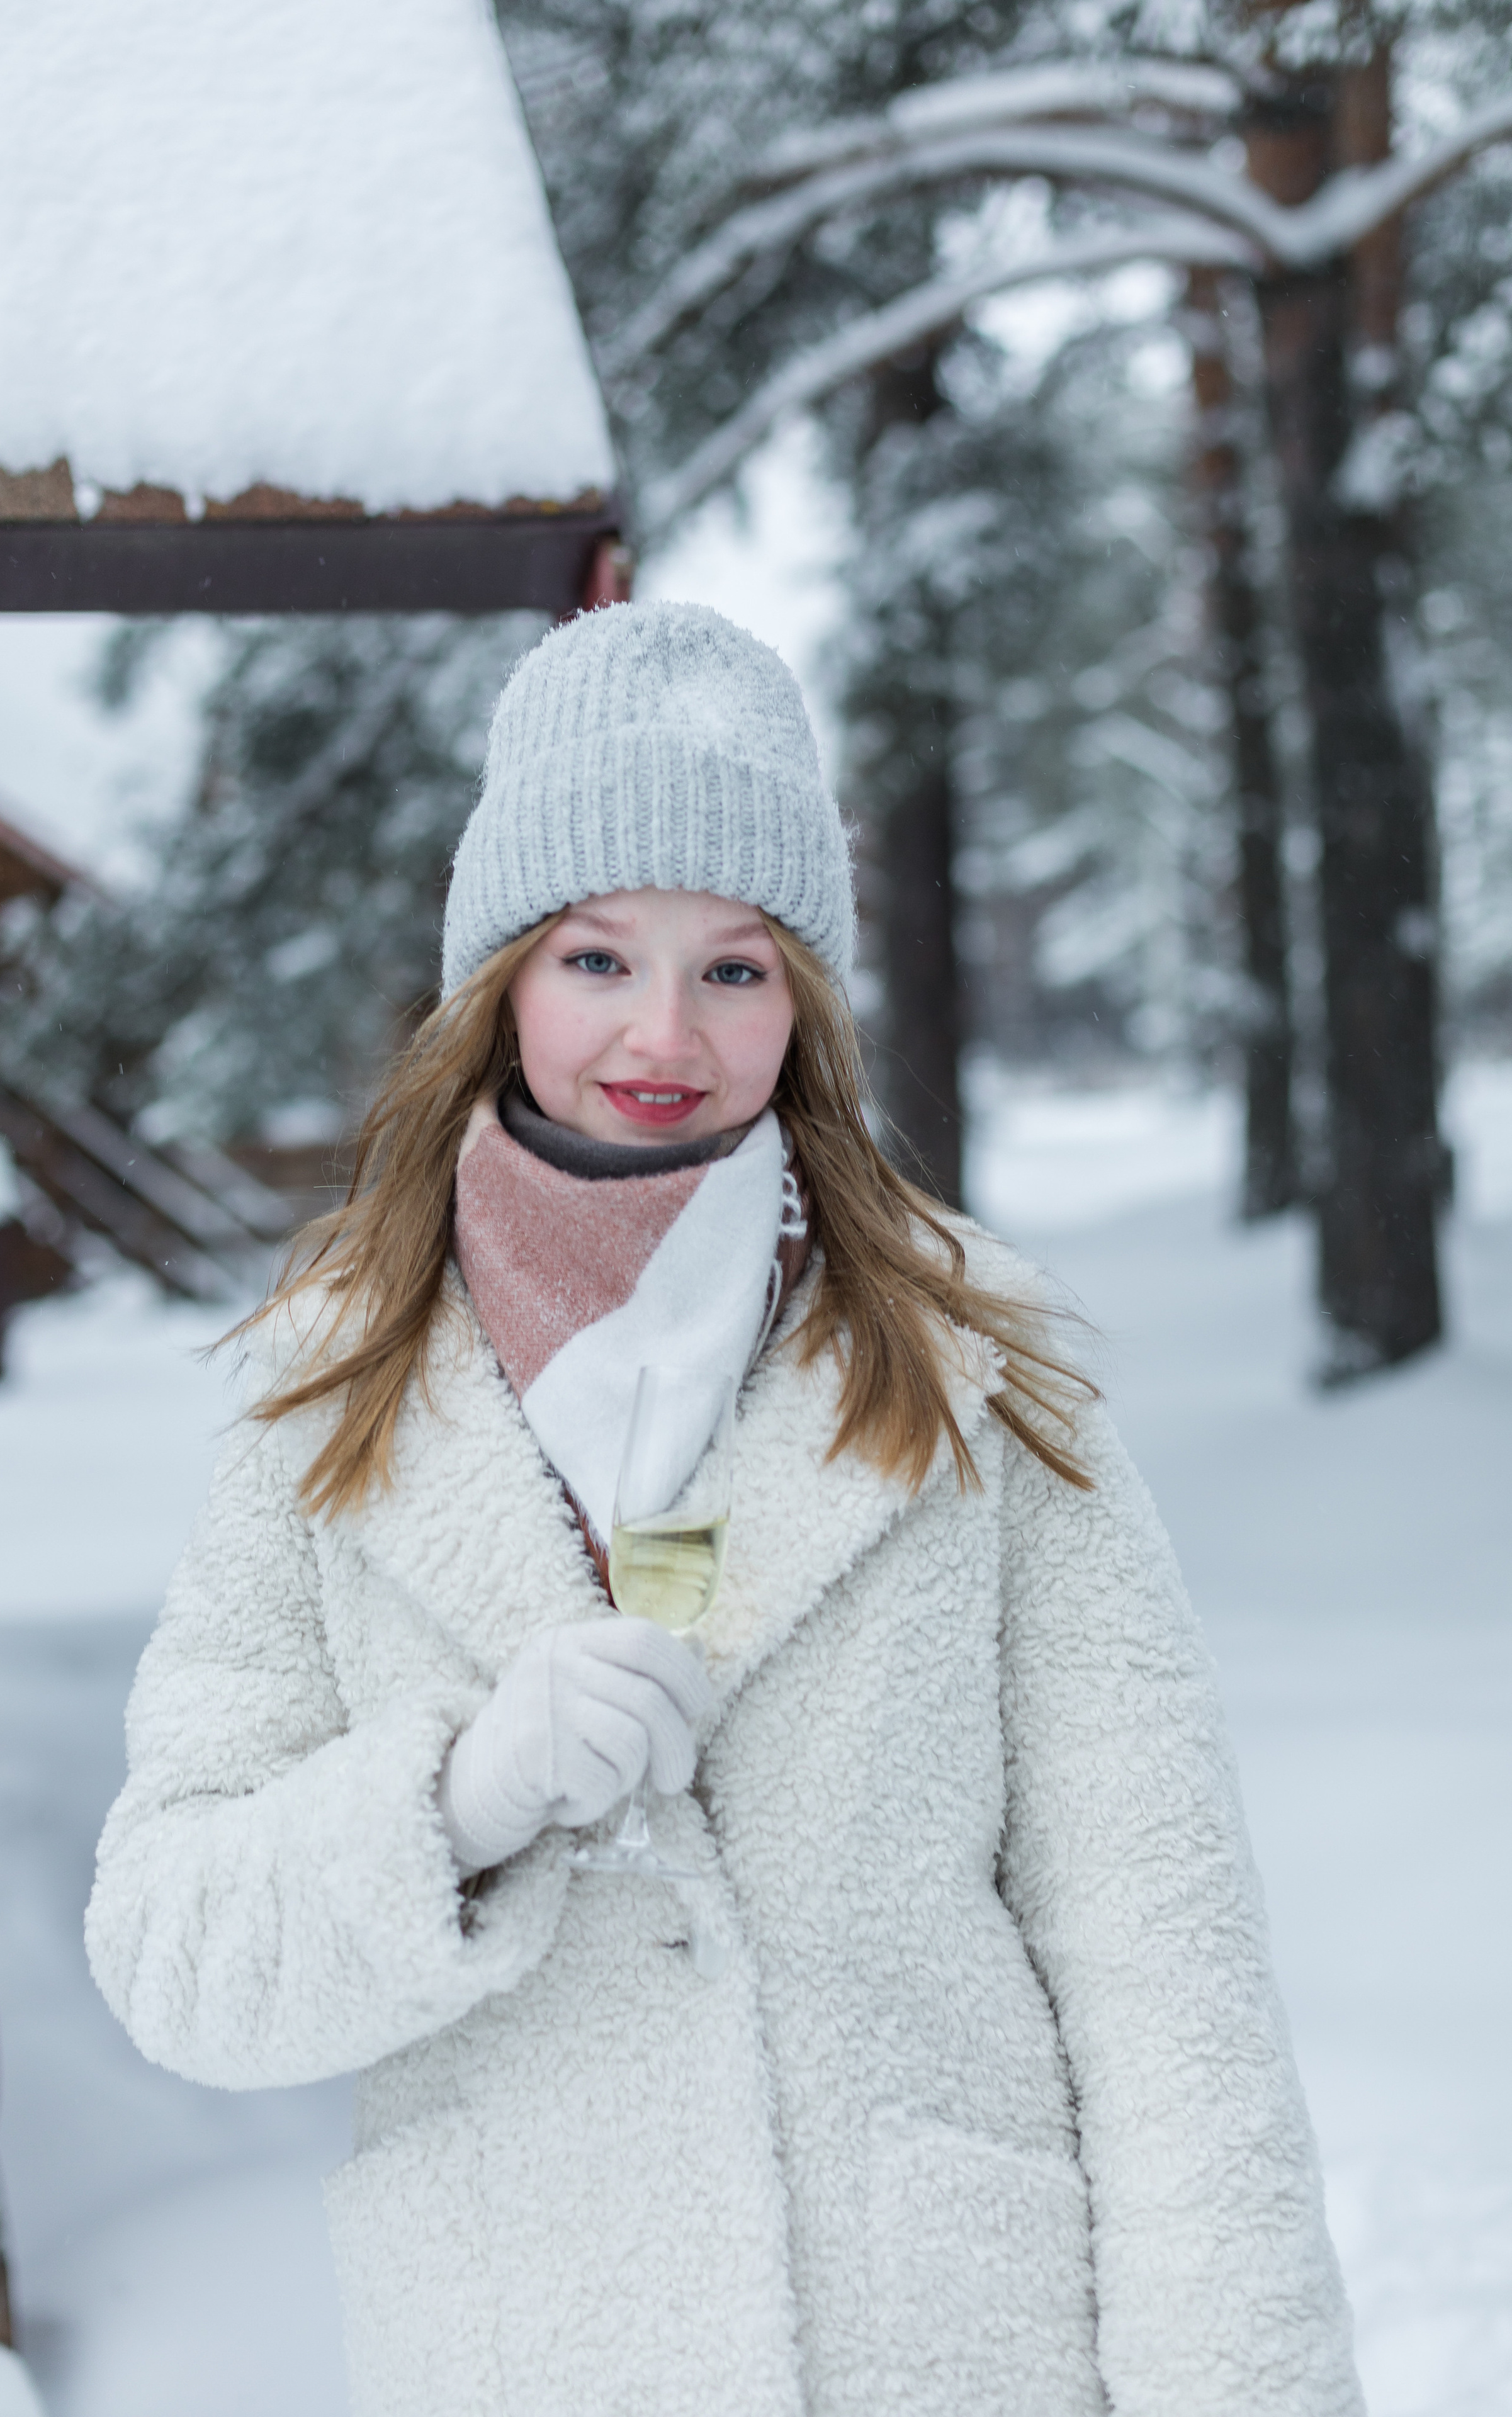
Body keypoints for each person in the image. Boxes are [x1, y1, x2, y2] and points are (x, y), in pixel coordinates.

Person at [87, 602, 1363, 2417]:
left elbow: (1166, 1962)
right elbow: (173, 1955)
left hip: (950, 2354)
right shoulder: (326, 1399)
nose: (663, 1031)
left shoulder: (977, 1370)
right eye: (599, 957)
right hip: (522, 2351)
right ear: (502, 977)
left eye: (736, 967)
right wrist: (449, 1806)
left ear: (806, 998)